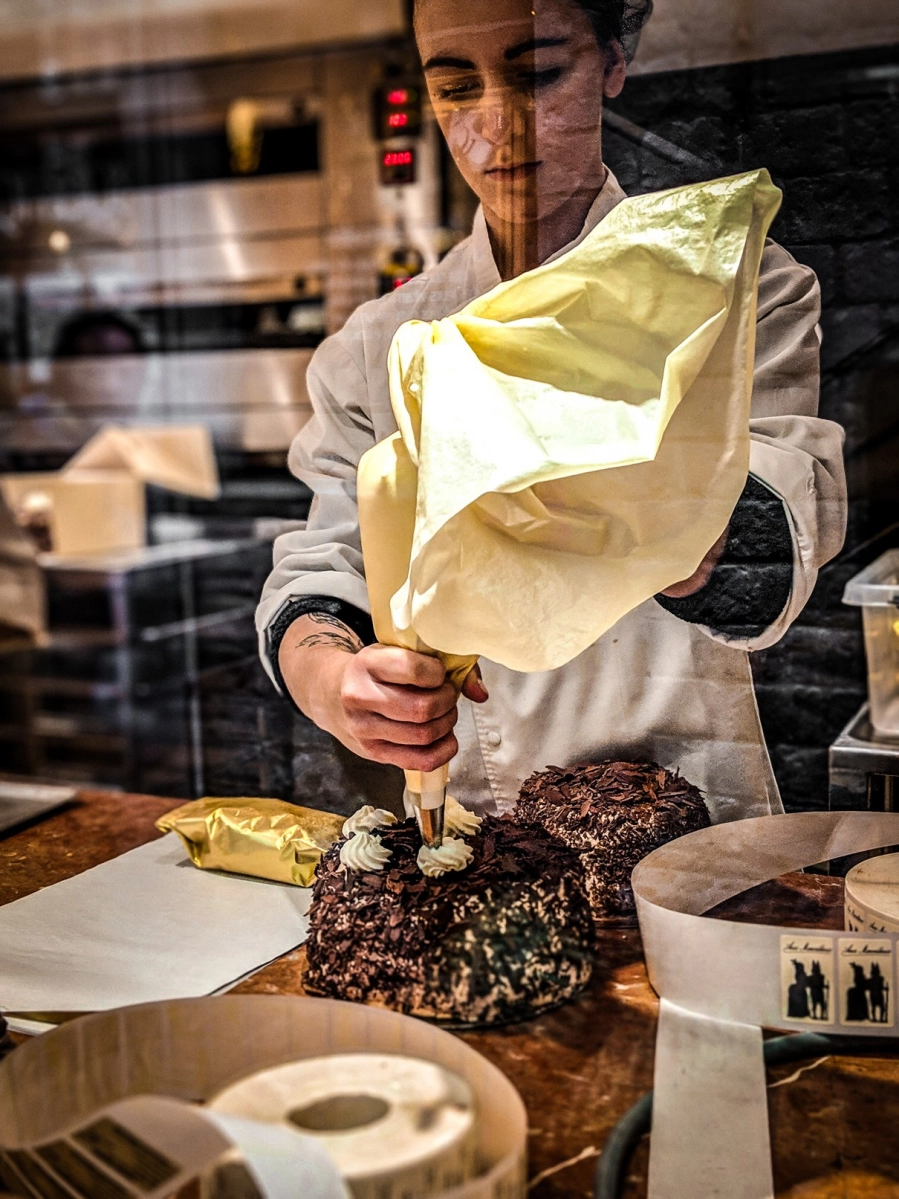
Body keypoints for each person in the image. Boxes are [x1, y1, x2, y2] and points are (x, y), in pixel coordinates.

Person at [256, 0, 847, 821]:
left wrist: (625, 496)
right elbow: (323, 567)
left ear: (611, 61)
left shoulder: (729, 289)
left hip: (695, 821)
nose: (496, 126)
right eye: (456, 87)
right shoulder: (381, 342)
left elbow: (771, 547)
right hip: (483, 828)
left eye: (536, 74)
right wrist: (334, 681)